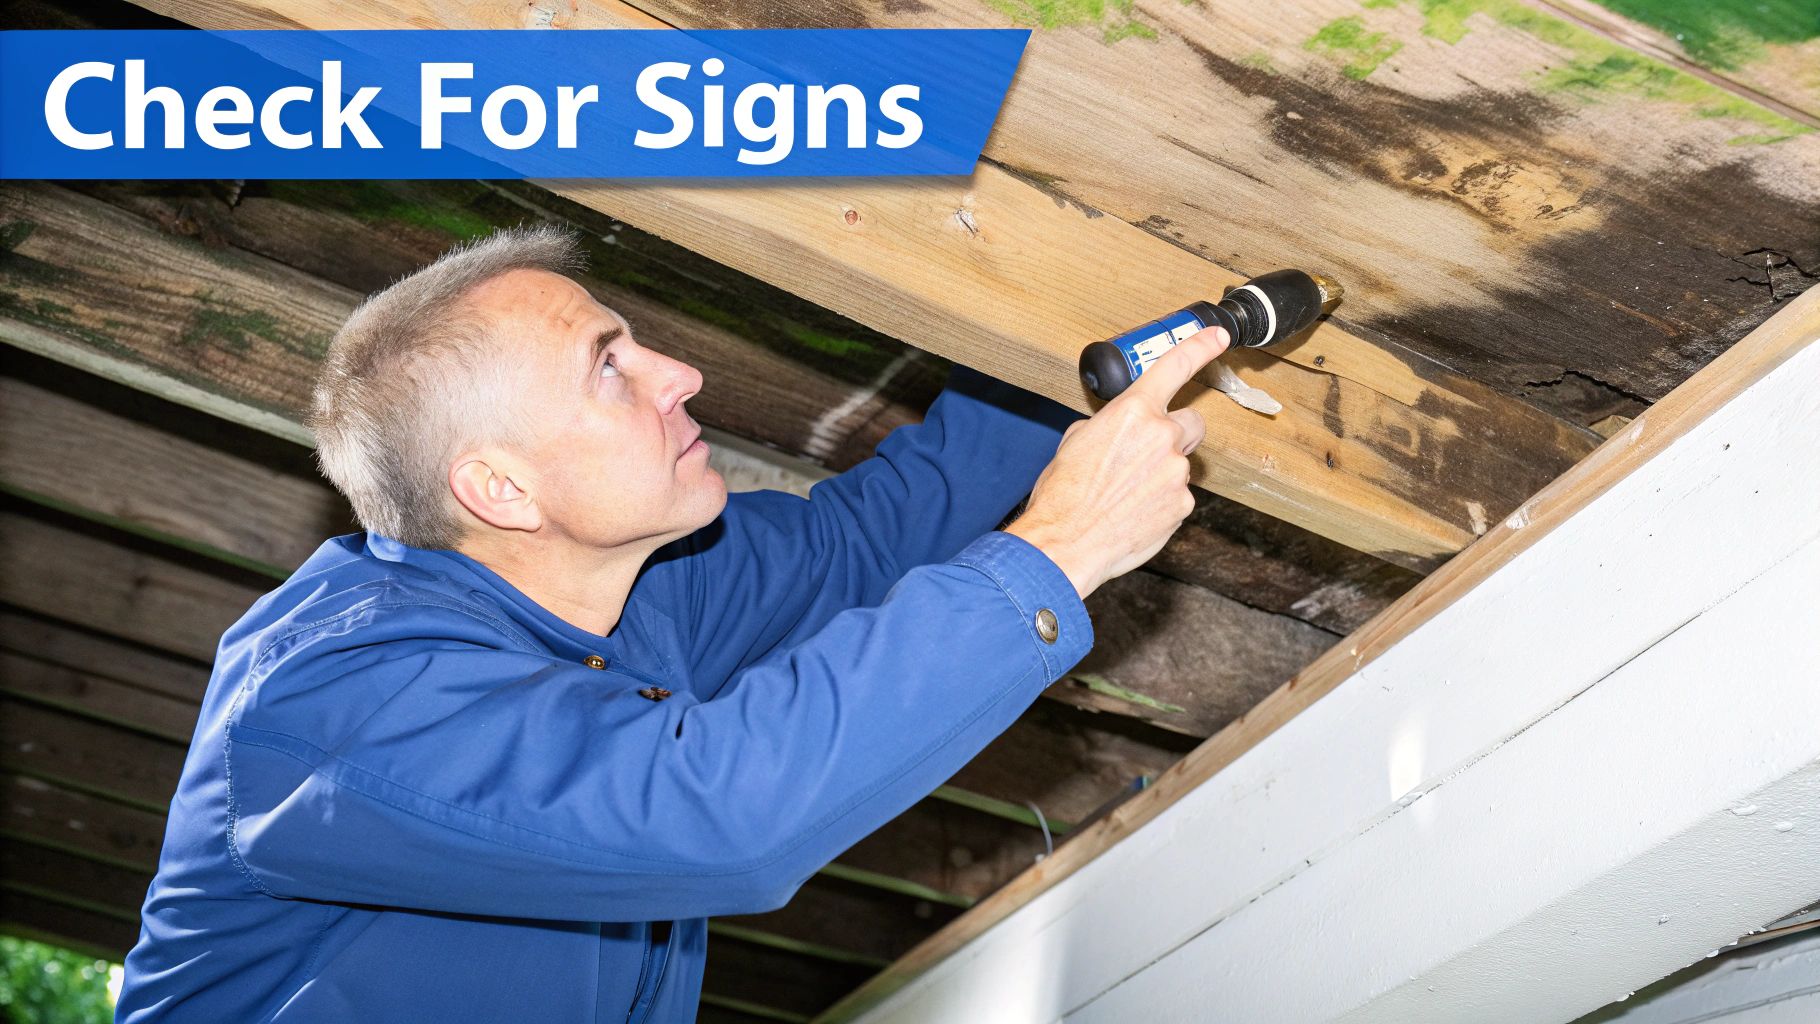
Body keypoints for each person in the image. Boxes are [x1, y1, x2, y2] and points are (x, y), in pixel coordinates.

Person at [114, 225, 1227, 1022]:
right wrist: (1065, 546)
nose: (680, 372)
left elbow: (872, 538)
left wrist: (1105, 352)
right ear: (499, 490)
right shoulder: (333, 704)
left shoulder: (639, 593)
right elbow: (715, 818)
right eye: (611, 368)